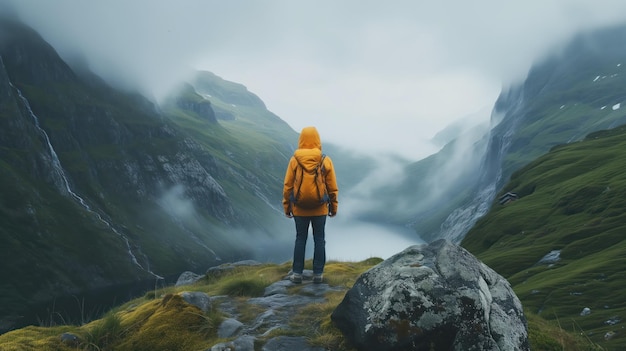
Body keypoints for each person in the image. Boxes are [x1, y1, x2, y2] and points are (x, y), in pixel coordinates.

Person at [282, 126, 338, 284]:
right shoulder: (324, 160)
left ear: (301, 140)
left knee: (300, 239)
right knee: (319, 239)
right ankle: (318, 274)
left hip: (299, 208)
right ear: (317, 140)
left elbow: (288, 186)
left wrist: (287, 207)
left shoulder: (294, 160)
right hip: (320, 208)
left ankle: (297, 274)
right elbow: (332, 187)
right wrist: (333, 207)